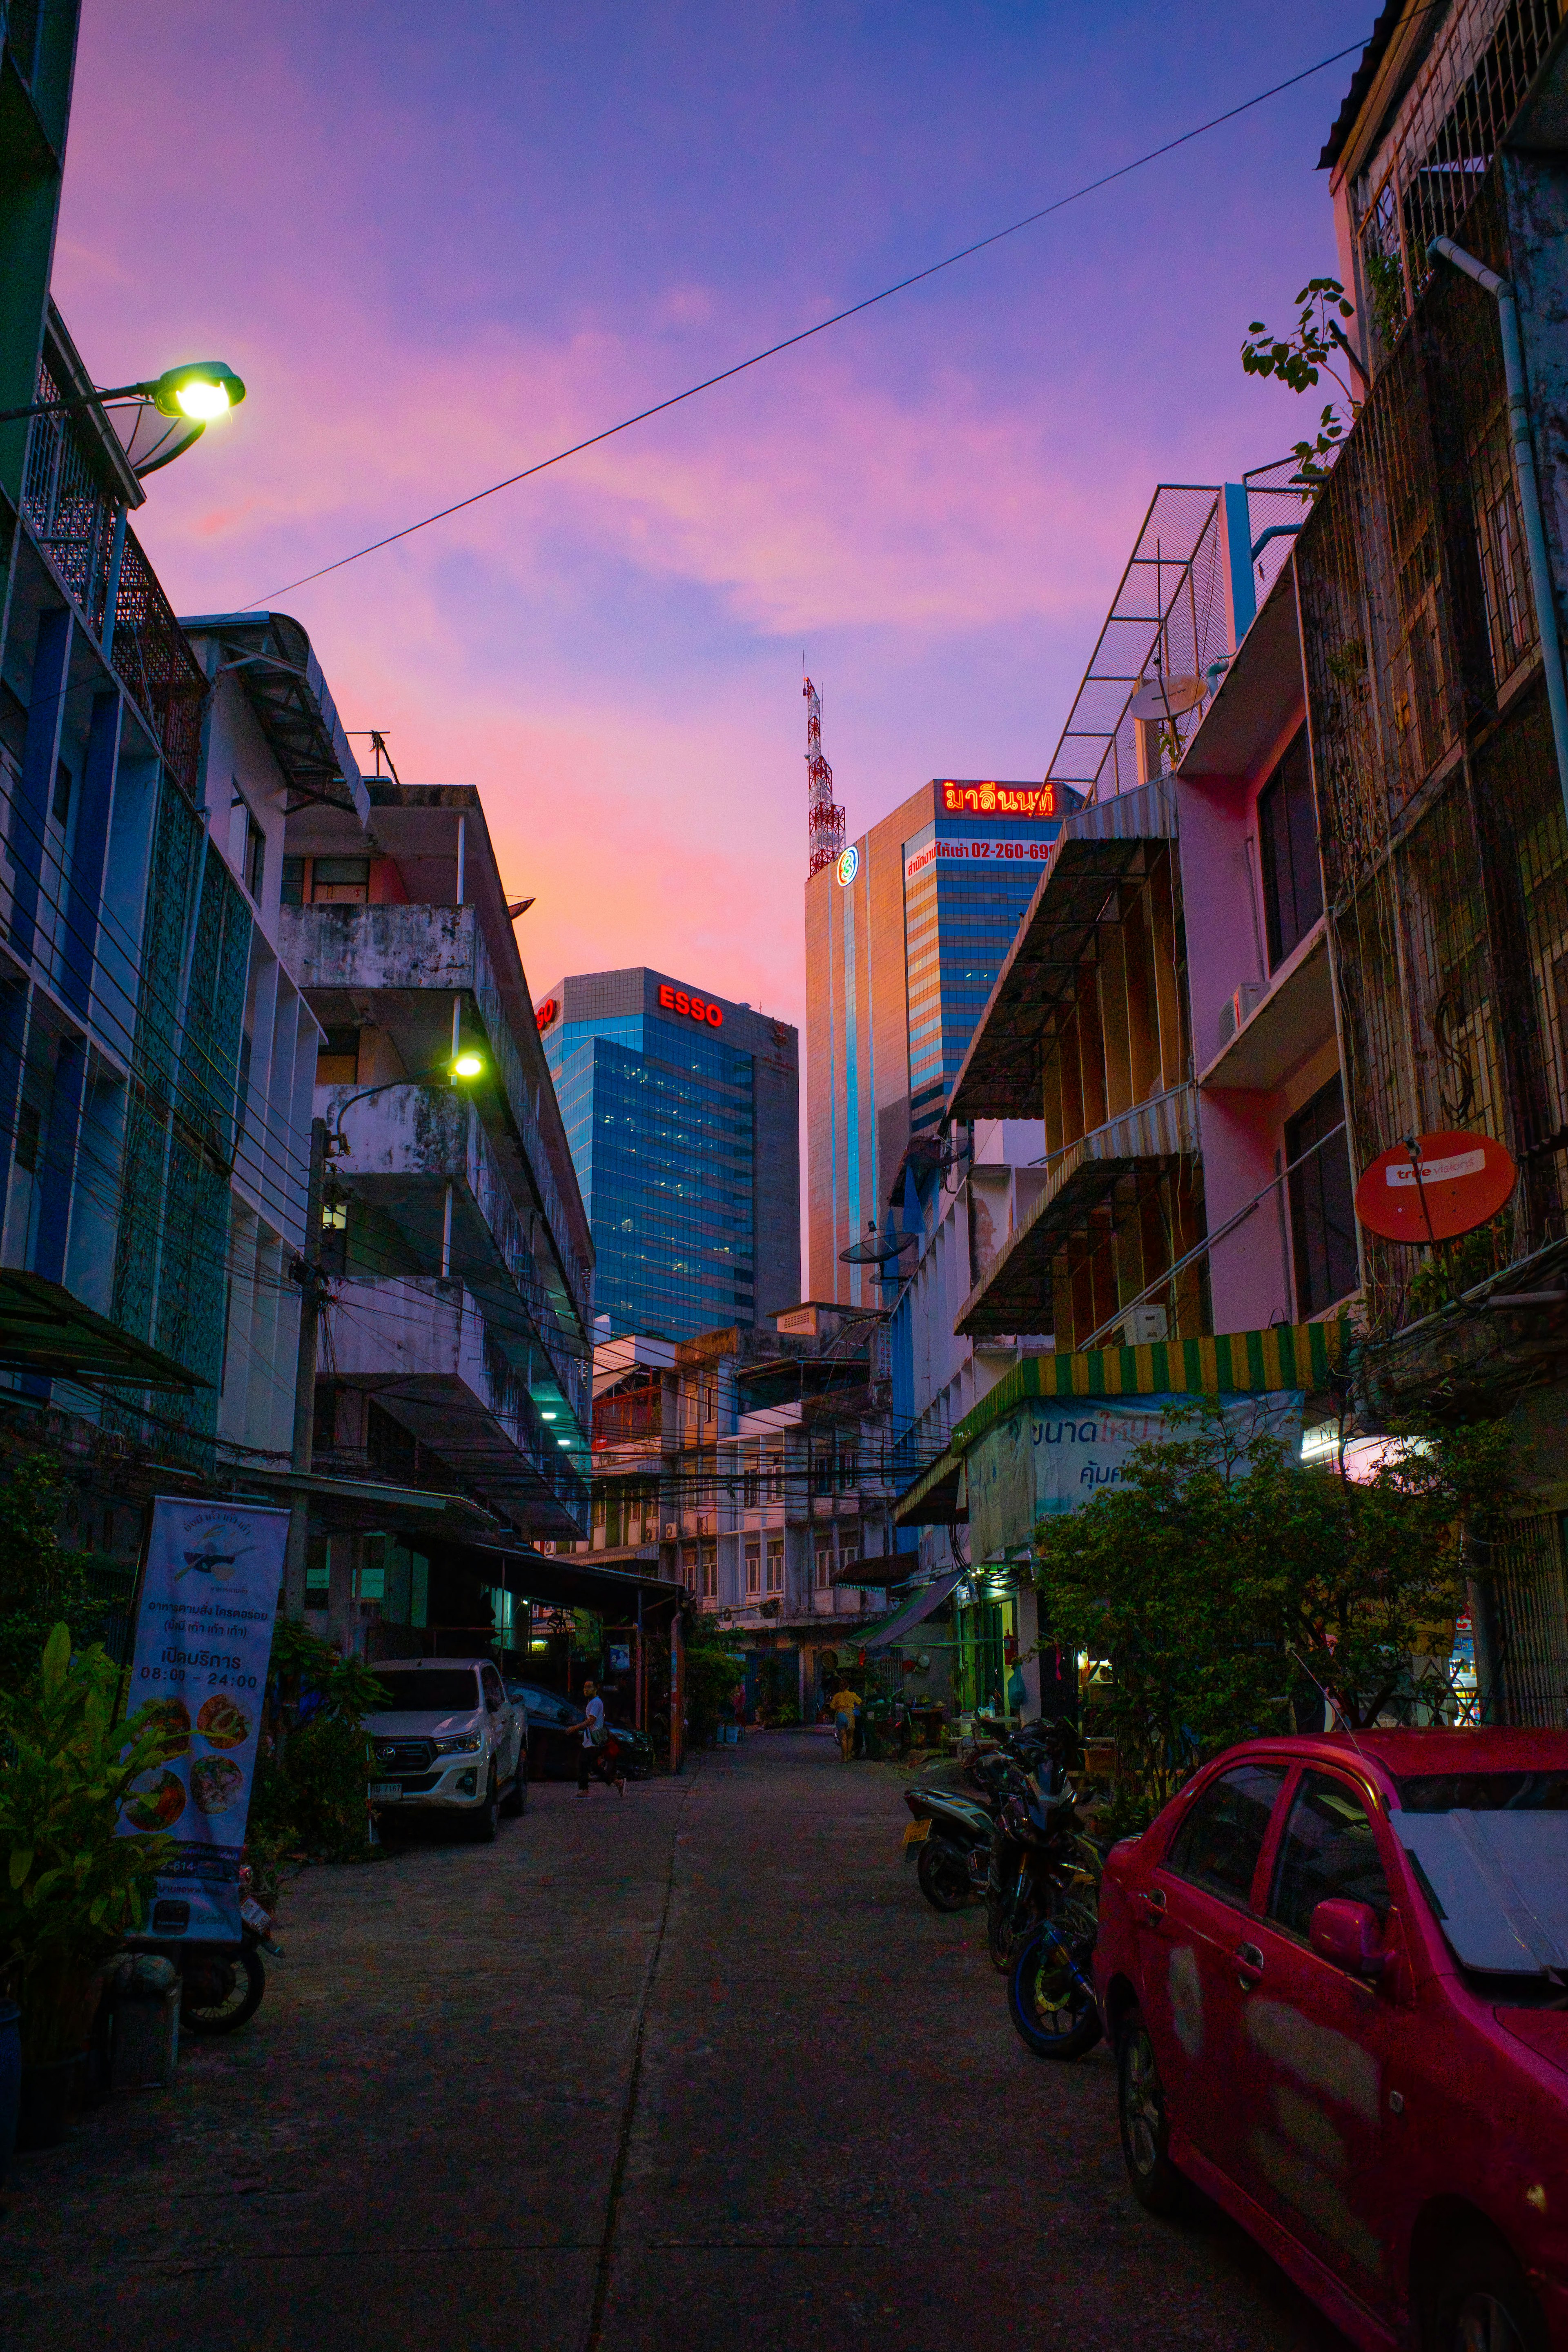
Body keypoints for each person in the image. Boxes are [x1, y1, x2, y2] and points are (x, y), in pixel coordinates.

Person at [575, 1678, 625, 1794]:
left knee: (583, 1763)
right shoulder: (592, 1702)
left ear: (596, 1689)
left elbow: (592, 1720)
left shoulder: (596, 1702)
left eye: (589, 1687)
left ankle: (585, 1789)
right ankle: (617, 1782)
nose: (586, 1690)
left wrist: (576, 1728)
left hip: (594, 1741)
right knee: (593, 1766)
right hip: (591, 1740)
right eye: (585, 1687)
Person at [829, 1678, 860, 1763]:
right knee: (850, 1737)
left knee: (843, 1738)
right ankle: (849, 1755)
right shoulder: (852, 1695)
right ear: (848, 1687)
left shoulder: (837, 1696)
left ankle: (845, 1757)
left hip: (840, 1715)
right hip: (850, 1715)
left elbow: (832, 1707)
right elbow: (860, 1702)